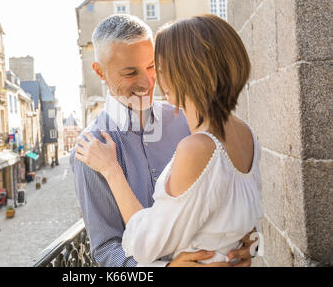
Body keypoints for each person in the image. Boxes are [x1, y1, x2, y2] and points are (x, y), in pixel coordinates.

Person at [70, 14, 258, 267]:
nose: (148, 82)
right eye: (130, 72)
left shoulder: (191, 121)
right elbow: (106, 250)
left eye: (151, 67)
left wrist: (247, 246)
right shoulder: (90, 150)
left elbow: (227, 202)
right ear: (100, 72)